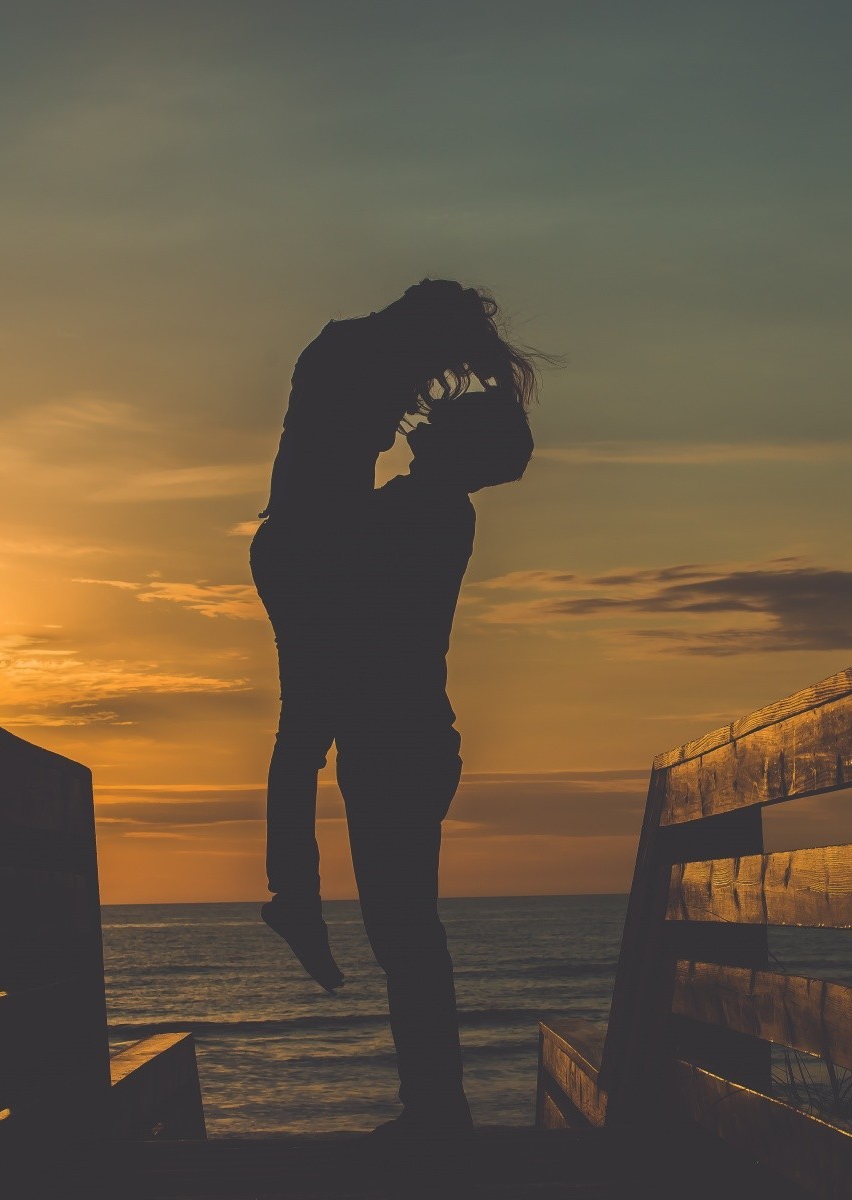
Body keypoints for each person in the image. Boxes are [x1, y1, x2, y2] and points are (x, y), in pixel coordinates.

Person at [249, 281, 542, 999]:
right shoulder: (357, 366)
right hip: (314, 573)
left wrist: (479, 413)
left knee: (302, 740)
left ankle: (294, 898)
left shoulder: (420, 508)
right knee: (303, 742)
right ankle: (293, 899)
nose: (413, 417)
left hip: (329, 589)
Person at [339, 389, 534, 1139]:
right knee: (402, 929)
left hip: (400, 742)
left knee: (404, 930)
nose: (427, 422)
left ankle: (436, 1106)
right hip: (401, 739)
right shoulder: (429, 508)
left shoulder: (431, 512)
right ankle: (432, 1102)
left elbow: (343, 547)